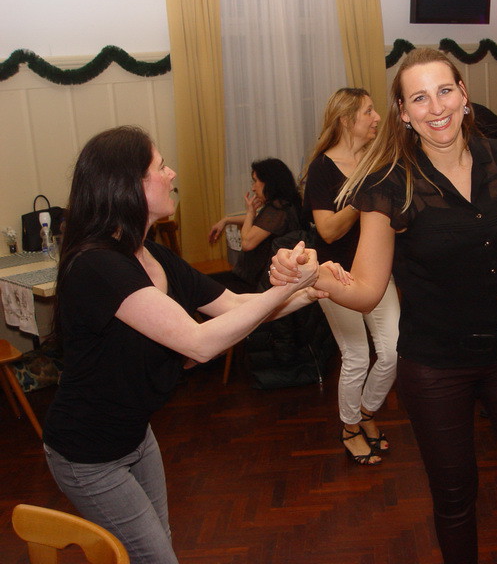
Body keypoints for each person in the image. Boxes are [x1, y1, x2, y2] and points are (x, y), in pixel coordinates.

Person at [271, 48, 497, 564]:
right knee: (455, 501)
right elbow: (367, 288)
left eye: (445, 91)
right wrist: (315, 278)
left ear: (464, 95)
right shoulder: (388, 184)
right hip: (436, 367)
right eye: (419, 98)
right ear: (403, 112)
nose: (436, 108)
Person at [42, 126, 323, 563]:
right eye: (160, 167)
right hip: (88, 454)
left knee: (158, 545)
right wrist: (289, 287)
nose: (172, 173)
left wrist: (309, 292)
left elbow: (235, 306)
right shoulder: (98, 265)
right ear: (129, 186)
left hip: (135, 435)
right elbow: (199, 343)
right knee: (155, 557)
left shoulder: (153, 255)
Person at [303, 88, 400, 465]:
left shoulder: (378, 160)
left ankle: (367, 412)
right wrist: (364, 198)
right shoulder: (322, 168)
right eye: (368, 112)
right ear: (346, 120)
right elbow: (328, 231)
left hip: (377, 269)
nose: (377, 118)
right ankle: (349, 427)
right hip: (335, 274)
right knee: (357, 355)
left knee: (392, 352)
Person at [208, 158, 303, 293]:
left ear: (269, 182)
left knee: (202, 287)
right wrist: (226, 220)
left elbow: (247, 243)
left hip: (255, 283)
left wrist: (249, 213)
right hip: (258, 279)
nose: (253, 187)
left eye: (255, 181)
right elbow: (260, 222)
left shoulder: (277, 210)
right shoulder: (286, 205)